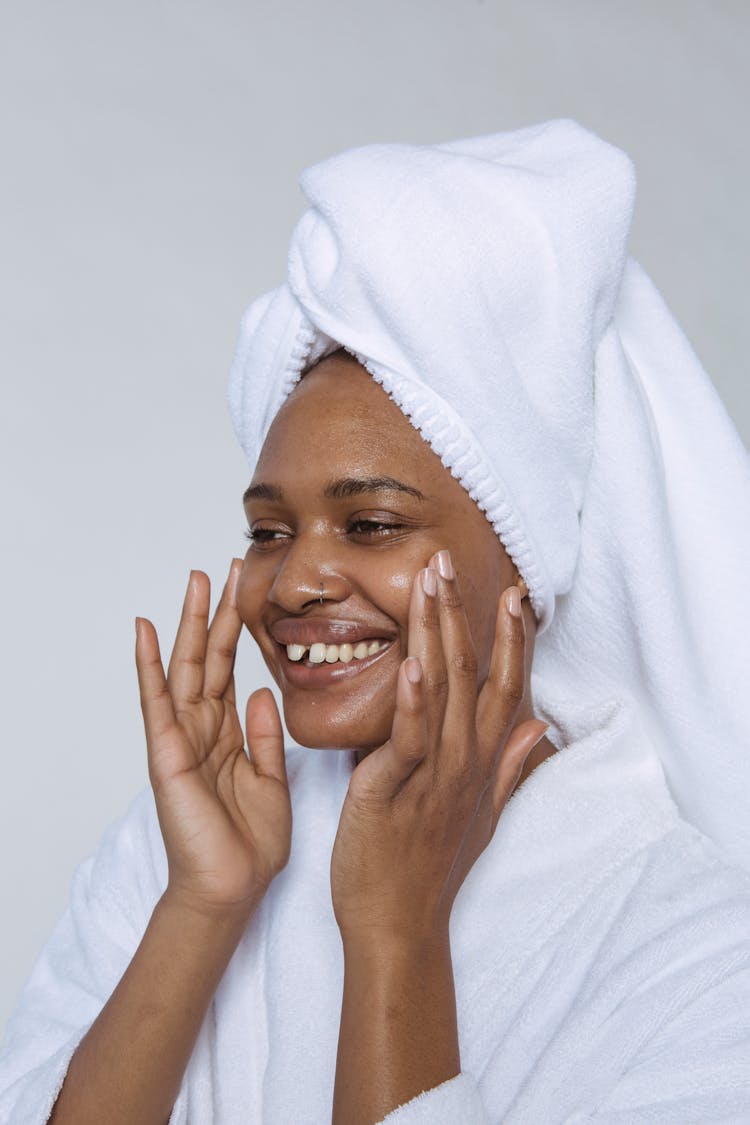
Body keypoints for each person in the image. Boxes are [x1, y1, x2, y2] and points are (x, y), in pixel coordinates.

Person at [1, 119, 749, 1124]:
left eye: (372, 523)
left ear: (526, 559)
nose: (295, 579)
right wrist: (203, 904)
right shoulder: (184, 849)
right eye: (269, 530)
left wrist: (397, 931)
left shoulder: (696, 949)